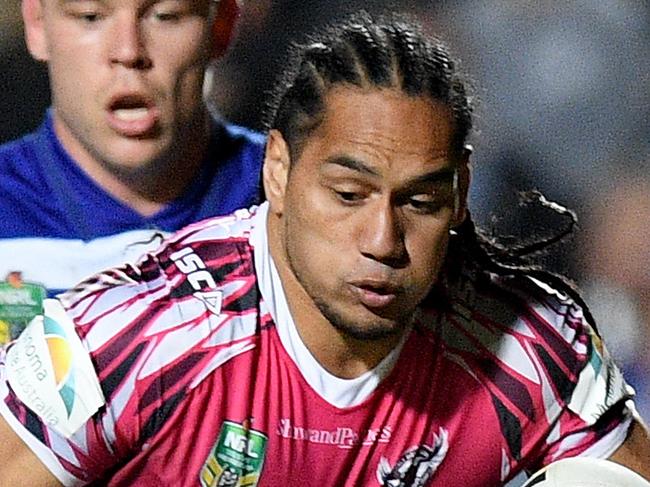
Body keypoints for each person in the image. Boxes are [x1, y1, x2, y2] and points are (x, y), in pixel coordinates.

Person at [1, 12, 649, 486]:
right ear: (278, 171)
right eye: (347, 194)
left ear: (460, 194)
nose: (381, 241)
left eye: (418, 200)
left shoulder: (535, 350)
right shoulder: (124, 337)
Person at [0, 0, 264, 342]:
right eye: (90, 16)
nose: (128, 51)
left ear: (223, 25)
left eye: (166, 16)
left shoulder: (294, 202)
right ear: (36, 24)